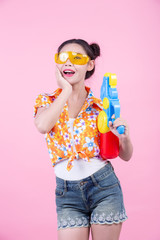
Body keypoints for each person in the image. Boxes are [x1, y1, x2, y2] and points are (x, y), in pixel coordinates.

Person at [33, 38, 133, 240]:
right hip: (67, 193)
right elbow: (43, 126)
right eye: (63, 58)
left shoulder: (99, 106)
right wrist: (66, 91)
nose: (68, 62)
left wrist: (125, 138)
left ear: (89, 64)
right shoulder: (47, 100)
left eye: (76, 58)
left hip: (104, 188)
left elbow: (125, 155)